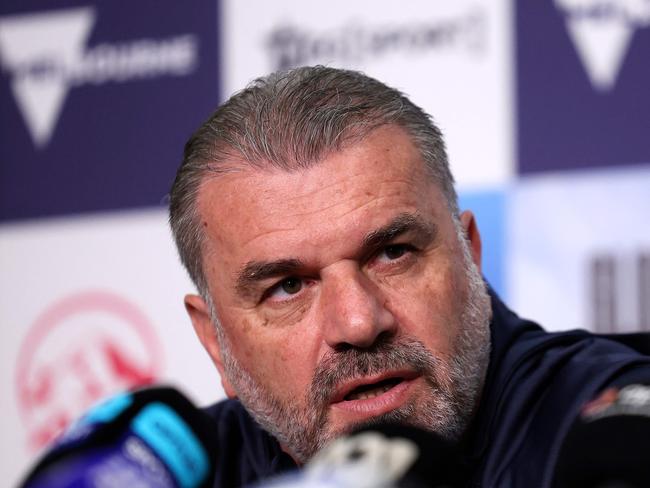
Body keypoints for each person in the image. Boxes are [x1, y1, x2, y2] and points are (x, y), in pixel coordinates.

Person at [168, 66, 650, 487]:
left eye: (393, 253)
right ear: (214, 341)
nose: (358, 322)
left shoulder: (610, 431)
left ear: (471, 256)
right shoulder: (174, 472)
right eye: (288, 287)